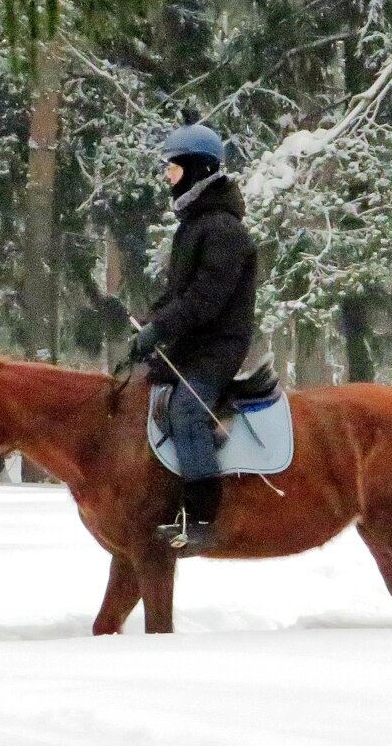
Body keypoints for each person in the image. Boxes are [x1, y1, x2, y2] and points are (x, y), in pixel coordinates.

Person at [129, 114, 257, 550]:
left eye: (173, 167)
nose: (167, 175)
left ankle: (203, 518)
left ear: (199, 170)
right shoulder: (194, 226)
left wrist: (161, 328)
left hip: (218, 347)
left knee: (186, 408)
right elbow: (177, 294)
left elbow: (205, 300)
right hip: (191, 344)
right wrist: (148, 330)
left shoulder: (223, 230)